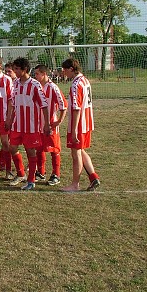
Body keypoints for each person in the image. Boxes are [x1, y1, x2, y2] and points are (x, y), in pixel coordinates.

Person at [5, 58, 51, 191]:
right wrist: (9, 119)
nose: (14, 71)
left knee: (30, 152)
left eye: (17, 69)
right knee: (12, 148)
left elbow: (44, 105)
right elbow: (13, 104)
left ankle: (31, 180)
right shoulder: (16, 84)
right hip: (17, 125)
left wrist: (46, 124)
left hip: (31, 126)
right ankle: (21, 173)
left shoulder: (35, 85)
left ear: (24, 70)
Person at [60, 58, 101, 192]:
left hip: (79, 124)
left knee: (76, 153)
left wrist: (74, 130)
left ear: (71, 69)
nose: (63, 73)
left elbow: (76, 108)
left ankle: (75, 184)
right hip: (87, 122)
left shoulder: (76, 84)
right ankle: (93, 177)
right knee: (81, 150)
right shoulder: (85, 80)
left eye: (65, 70)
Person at [33, 64, 67, 186]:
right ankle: (40, 172)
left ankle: (56, 174)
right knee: (39, 148)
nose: (35, 76)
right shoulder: (35, 86)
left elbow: (64, 106)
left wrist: (58, 122)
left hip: (51, 124)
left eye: (37, 73)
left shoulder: (53, 87)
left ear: (44, 74)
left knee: (54, 149)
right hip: (38, 124)